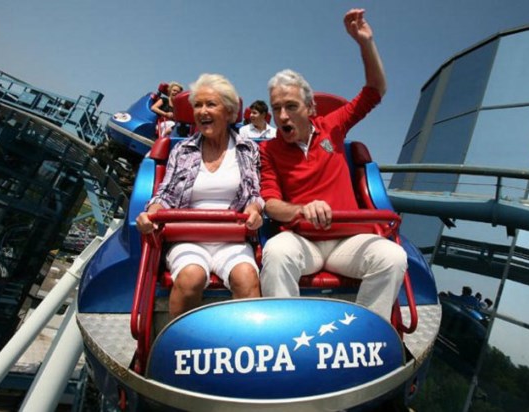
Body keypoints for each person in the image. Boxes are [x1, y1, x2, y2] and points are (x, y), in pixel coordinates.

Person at [259, 8, 407, 321]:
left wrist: (365, 42)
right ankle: (286, 333)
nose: (282, 116)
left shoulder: (333, 127)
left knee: (393, 257)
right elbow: (271, 204)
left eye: (291, 106)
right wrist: (302, 209)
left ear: (310, 109)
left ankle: (366, 332)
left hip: (348, 241)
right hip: (303, 241)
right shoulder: (268, 150)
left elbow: (375, 91)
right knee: (276, 252)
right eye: (276, 108)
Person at [136, 74, 264, 318]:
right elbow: (166, 194)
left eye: (211, 104)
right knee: (190, 277)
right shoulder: (182, 150)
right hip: (188, 236)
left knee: (247, 278)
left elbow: (253, 194)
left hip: (231, 237)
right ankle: (180, 339)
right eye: (198, 105)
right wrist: (151, 214)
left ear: (228, 112)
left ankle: (244, 339)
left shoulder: (248, 149)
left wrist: (255, 210)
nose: (202, 111)